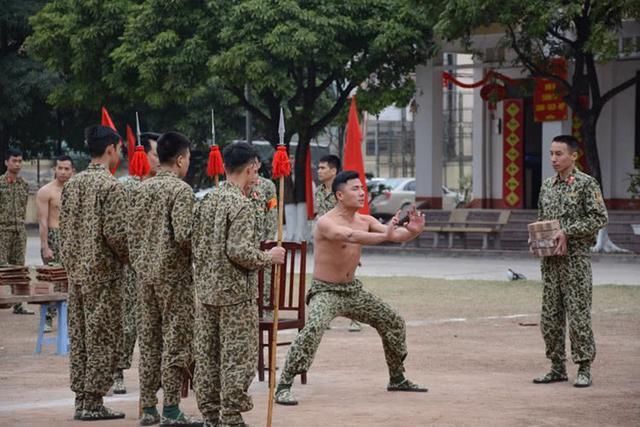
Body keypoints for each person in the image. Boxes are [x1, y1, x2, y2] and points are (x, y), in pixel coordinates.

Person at [274, 170, 427, 406]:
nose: (361, 193)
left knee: (393, 320)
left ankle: (397, 377)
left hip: (352, 290)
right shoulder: (326, 222)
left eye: (362, 188)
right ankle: (283, 385)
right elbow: (353, 237)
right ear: (339, 195)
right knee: (313, 327)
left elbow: (396, 235)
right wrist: (387, 234)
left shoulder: (365, 219)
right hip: (326, 291)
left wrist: (413, 232)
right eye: (355, 189)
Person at [193, 142, 285, 427]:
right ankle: (230, 417)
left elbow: (195, 242)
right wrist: (268, 257)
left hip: (207, 291)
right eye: (256, 169)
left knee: (208, 356)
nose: (257, 174)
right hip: (235, 294)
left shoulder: (207, 200)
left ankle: (210, 415)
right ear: (249, 168)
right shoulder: (241, 205)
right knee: (238, 357)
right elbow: (239, 251)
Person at [128, 131, 200, 426]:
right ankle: (171, 408)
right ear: (181, 159)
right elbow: (185, 236)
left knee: (149, 341)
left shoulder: (141, 188)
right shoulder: (181, 191)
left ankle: (147, 408)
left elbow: (130, 236)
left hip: (144, 276)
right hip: (174, 278)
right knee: (175, 341)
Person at [59, 125, 129, 420]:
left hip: (77, 275)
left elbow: (63, 232)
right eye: (121, 149)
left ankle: (81, 399)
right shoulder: (110, 187)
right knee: (102, 338)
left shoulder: (73, 185)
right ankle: (94, 403)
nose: (121, 154)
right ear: (111, 149)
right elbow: (117, 235)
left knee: (81, 338)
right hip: (104, 276)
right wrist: (131, 257)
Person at [532, 135, 608, 388]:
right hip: (551, 262)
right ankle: (556, 367)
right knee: (550, 317)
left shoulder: (587, 184)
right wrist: (538, 238)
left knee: (578, 316)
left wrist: (567, 231)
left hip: (575, 261)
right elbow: (543, 219)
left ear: (574, 156)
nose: (553, 159)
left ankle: (584, 367)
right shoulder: (547, 186)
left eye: (559, 154)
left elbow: (599, 217)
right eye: (551, 153)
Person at [112, 132, 160, 395]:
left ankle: (158, 373)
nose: (158, 159)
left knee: (158, 323)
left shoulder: (165, 184)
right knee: (129, 322)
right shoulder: (127, 186)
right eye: (155, 154)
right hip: (132, 266)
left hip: (160, 265)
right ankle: (118, 370)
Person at [315, 154, 362, 332]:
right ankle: (323, 316)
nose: (319, 171)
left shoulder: (344, 193)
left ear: (334, 170)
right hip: (327, 240)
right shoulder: (319, 192)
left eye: (323, 168)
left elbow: (352, 219)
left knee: (348, 279)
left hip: (345, 238)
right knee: (323, 279)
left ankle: (355, 318)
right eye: (318, 168)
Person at [36, 154, 74, 332]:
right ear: (55, 169)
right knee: (53, 278)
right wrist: (45, 246)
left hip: (72, 238)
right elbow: (42, 221)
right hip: (54, 236)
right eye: (60, 168)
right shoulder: (46, 191)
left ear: (72, 171)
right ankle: (48, 318)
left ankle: (70, 319)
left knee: (71, 280)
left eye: (67, 168)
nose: (63, 172)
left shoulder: (76, 190)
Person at [0, 148, 34, 315]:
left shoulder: (24, 185)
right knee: (1, 266)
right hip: (2, 230)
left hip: (19, 230)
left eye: (20, 161)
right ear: (6, 162)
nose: (17, 164)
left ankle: (19, 304)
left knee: (19, 267)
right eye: (14, 160)